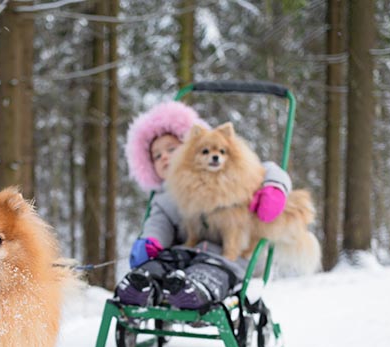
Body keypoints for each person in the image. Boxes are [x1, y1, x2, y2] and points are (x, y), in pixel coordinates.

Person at [114, 101, 291, 309]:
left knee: (211, 269)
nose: (165, 157)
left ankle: (194, 290)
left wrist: (274, 187)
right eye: (157, 156)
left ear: (186, 147)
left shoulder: (238, 180)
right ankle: (142, 284)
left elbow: (266, 169)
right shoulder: (163, 197)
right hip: (184, 252)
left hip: (227, 255)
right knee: (163, 262)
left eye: (172, 149)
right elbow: (158, 223)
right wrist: (150, 241)